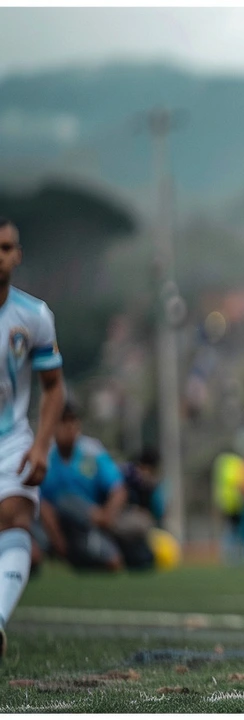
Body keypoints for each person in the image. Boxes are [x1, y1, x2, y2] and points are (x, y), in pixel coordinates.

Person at [0, 217, 66, 660]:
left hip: (11, 440)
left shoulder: (34, 317)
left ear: (17, 255)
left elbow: (54, 387)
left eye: (6, 247)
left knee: (16, 518)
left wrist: (41, 445)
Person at [41, 401, 152, 572]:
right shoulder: (45, 456)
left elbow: (118, 490)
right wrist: (58, 540)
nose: (69, 426)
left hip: (96, 524)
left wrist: (106, 517)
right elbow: (43, 504)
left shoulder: (92, 451)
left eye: (73, 420)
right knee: (66, 501)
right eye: (63, 421)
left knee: (129, 554)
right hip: (62, 528)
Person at [212, 449, 244, 564]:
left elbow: (219, 483)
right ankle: (241, 556)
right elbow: (240, 483)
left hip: (225, 501)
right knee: (240, 529)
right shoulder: (237, 463)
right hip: (237, 502)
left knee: (230, 528)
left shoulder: (221, 462)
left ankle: (229, 556)